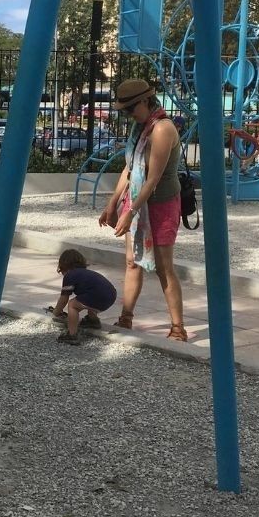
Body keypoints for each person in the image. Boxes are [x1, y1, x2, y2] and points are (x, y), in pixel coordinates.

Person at [98, 79, 187, 341]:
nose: (128, 115)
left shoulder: (162, 129)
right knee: (131, 262)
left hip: (160, 204)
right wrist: (113, 203)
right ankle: (126, 317)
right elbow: (130, 167)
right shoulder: (140, 129)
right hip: (136, 201)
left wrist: (131, 211)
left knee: (163, 267)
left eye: (130, 109)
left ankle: (177, 327)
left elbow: (152, 178)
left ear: (146, 101)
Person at [48, 249, 117, 346]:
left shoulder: (70, 275)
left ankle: (72, 335)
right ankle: (93, 321)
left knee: (73, 305)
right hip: (111, 295)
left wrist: (56, 312)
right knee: (88, 300)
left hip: (99, 295)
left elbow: (64, 299)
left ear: (62, 266)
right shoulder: (85, 273)